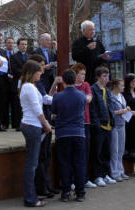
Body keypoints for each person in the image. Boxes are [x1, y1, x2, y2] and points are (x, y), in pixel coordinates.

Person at [19, 60, 52, 207]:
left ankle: (31, 194)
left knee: (32, 163)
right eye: (39, 71)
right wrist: (46, 124)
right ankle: (30, 198)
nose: (41, 73)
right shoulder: (29, 87)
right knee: (32, 164)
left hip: (32, 125)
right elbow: (37, 109)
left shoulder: (30, 86)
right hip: (32, 125)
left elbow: (44, 101)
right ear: (32, 72)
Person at [51, 69, 87, 202]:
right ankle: (80, 193)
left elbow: (53, 112)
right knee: (79, 163)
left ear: (63, 81)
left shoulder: (58, 96)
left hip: (63, 133)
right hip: (79, 133)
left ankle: (66, 192)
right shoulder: (82, 96)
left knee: (64, 163)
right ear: (75, 80)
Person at [29, 54, 60, 198]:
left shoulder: (40, 82)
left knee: (46, 155)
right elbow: (44, 100)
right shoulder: (31, 84)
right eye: (41, 65)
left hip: (45, 120)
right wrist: (62, 99)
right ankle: (41, 187)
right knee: (41, 157)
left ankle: (47, 184)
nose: (43, 68)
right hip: (39, 123)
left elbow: (47, 97)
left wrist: (54, 84)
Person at [90, 66, 116, 187]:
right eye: (104, 76)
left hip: (109, 125)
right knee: (97, 153)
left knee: (107, 152)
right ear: (98, 77)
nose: (107, 78)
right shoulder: (93, 89)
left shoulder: (107, 90)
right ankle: (97, 176)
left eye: (108, 76)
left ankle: (106, 174)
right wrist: (96, 124)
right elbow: (93, 109)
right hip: (99, 126)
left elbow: (110, 106)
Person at [71, 63, 96, 188]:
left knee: (85, 151)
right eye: (81, 74)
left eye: (84, 74)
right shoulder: (70, 86)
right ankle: (73, 180)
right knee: (73, 152)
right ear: (75, 74)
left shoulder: (86, 85)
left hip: (85, 121)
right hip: (74, 122)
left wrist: (76, 97)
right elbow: (83, 98)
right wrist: (81, 97)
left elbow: (89, 99)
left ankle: (84, 179)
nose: (83, 76)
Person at [72, 20, 109, 85]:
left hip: (97, 74)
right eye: (90, 30)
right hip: (86, 74)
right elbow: (75, 56)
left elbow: (102, 55)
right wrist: (87, 49)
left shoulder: (97, 42)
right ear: (83, 31)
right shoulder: (77, 42)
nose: (93, 32)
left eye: (93, 30)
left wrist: (104, 58)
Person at [109, 79, 130, 181]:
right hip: (114, 125)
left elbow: (124, 108)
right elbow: (109, 112)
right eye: (121, 85)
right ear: (116, 86)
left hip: (122, 124)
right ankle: (114, 173)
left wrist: (127, 109)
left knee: (121, 149)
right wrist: (120, 111)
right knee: (114, 150)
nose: (123, 87)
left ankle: (121, 171)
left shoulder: (121, 96)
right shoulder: (111, 97)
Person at [10, 38, 28, 131]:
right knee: (17, 104)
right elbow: (14, 69)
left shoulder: (30, 56)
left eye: (25, 44)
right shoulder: (14, 57)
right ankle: (17, 124)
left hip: (28, 82)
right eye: (22, 44)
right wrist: (25, 74)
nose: (24, 46)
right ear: (18, 45)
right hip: (18, 82)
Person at [3, 37, 16, 129]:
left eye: (12, 43)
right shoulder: (2, 54)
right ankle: (5, 123)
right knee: (5, 103)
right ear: (5, 44)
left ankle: (15, 123)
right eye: (8, 43)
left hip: (14, 82)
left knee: (15, 103)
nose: (10, 44)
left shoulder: (16, 54)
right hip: (5, 81)